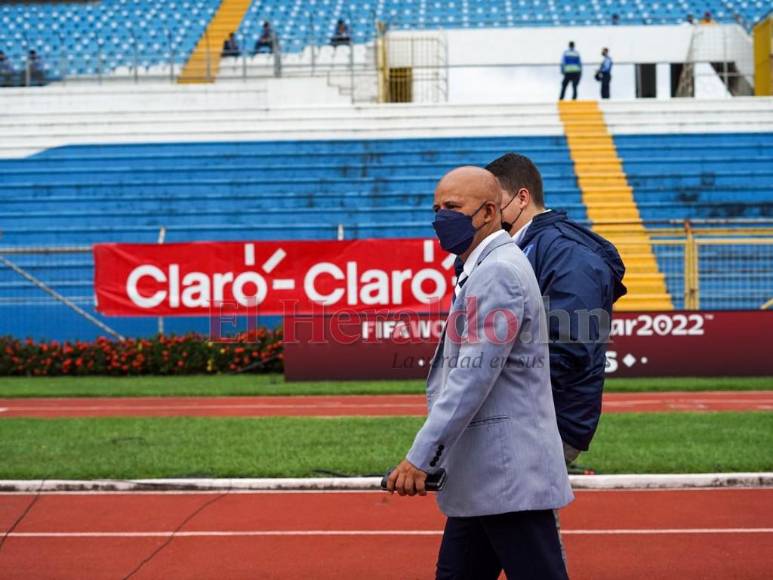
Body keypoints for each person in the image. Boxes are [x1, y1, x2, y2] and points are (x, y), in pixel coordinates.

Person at [386, 166, 572, 580]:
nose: (440, 218)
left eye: (452, 207)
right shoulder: (485, 267)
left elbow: (472, 377)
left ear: (489, 212)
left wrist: (421, 458)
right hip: (487, 473)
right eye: (436, 208)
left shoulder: (497, 272)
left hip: (505, 473)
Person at [485, 153, 627, 465]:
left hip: (546, 420)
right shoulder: (519, 246)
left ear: (522, 198)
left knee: (516, 511)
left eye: (494, 204)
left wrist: (489, 376)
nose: (488, 214)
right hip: (524, 413)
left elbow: (569, 346)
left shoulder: (566, 251)